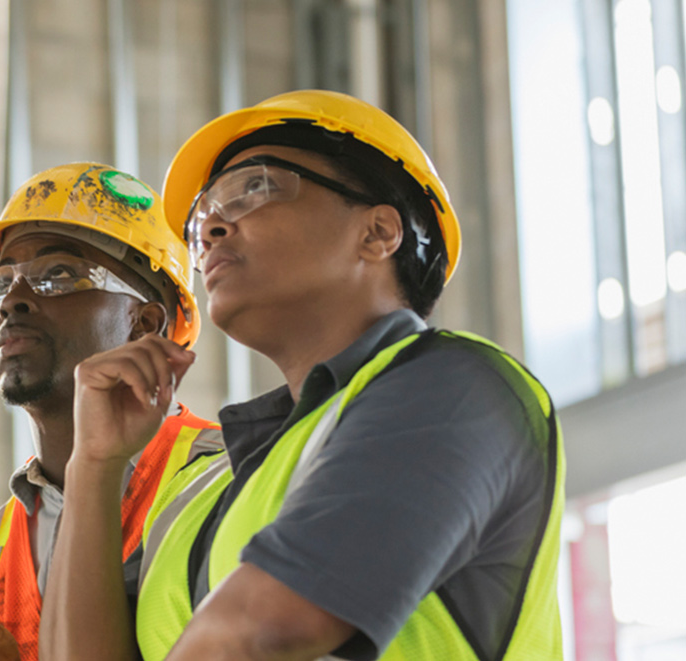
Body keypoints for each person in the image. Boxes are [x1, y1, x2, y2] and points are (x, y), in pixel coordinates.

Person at [40, 90, 564, 661]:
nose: (211, 227)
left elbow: (258, 632)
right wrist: (95, 463)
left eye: (252, 189)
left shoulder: (460, 390)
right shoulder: (205, 491)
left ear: (379, 232)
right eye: (202, 218)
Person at [0, 163, 220, 661]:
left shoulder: (227, 482)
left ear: (143, 324)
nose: (12, 301)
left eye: (58, 275)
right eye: (0, 283)